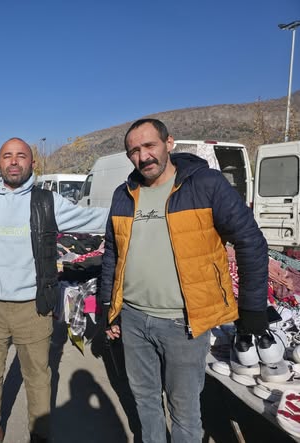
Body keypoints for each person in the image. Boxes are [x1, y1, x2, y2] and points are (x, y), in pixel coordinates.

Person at [101, 118, 268, 443]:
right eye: (134, 151)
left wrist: (252, 308)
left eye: (149, 145)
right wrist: (110, 308)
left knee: (184, 411)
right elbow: (112, 253)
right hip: (133, 320)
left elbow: (250, 241)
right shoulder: (124, 194)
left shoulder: (205, 184)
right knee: (145, 401)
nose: (143, 156)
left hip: (183, 324)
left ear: (169, 143)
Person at [0, 137, 108, 443]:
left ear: (32, 163)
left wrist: (136, 207)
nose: (14, 161)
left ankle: (39, 433)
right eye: (7, 156)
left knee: (37, 375)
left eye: (21, 156)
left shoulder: (48, 202)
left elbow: (97, 218)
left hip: (34, 307)